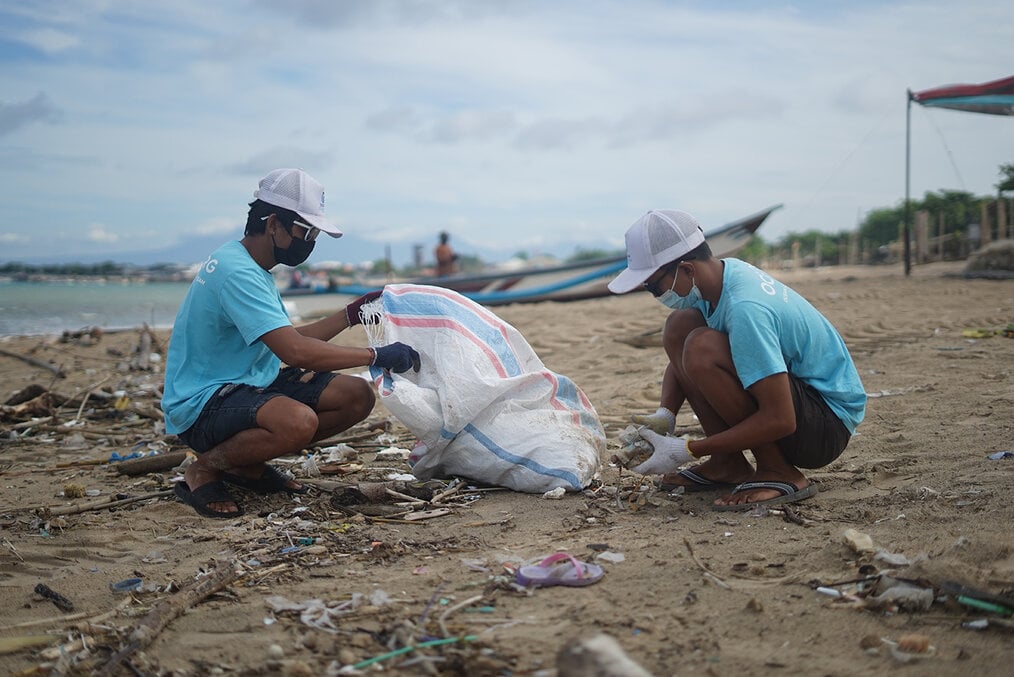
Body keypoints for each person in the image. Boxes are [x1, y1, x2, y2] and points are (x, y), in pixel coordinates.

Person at [162, 168, 421, 518]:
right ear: (272, 224)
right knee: (297, 422)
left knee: (355, 397)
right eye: (305, 230)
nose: (310, 241)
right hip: (203, 402)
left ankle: (245, 465)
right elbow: (295, 352)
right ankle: (205, 468)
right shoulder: (237, 272)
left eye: (314, 233)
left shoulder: (249, 264)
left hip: (248, 383)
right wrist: (376, 355)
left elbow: (288, 338)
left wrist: (351, 314)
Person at [608, 210, 865, 510]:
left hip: (825, 424)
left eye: (653, 286)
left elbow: (781, 418)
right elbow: (681, 363)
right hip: (802, 408)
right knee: (680, 326)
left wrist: (688, 449)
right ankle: (726, 463)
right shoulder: (720, 279)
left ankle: (779, 471)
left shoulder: (746, 308)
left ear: (687, 270)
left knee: (701, 347)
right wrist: (666, 413)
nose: (654, 294)